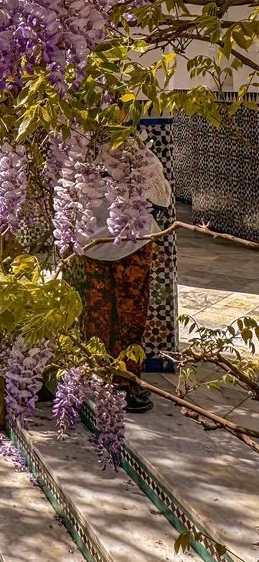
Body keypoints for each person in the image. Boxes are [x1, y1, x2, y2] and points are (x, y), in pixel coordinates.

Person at [77, 141, 172, 414]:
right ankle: (120, 383)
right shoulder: (130, 151)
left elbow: (160, 199)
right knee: (119, 316)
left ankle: (113, 381)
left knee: (104, 315)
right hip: (114, 246)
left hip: (115, 246)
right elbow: (161, 201)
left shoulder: (126, 151)